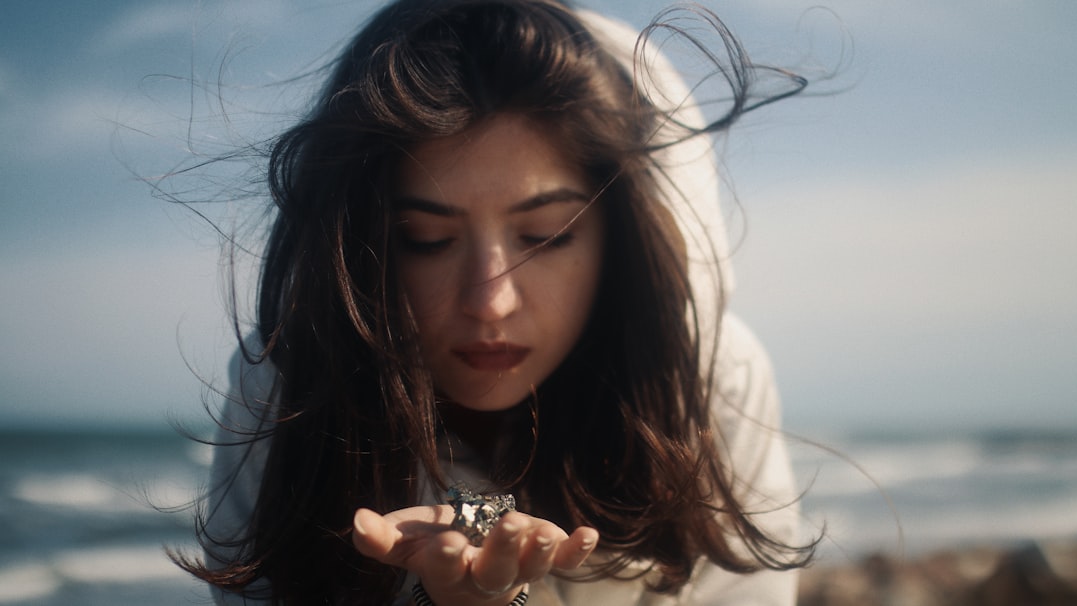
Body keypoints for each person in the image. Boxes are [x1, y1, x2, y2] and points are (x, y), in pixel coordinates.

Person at [176, 0, 815, 604]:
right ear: (360, 244)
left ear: (621, 237)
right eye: (425, 240)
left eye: (546, 236)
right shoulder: (287, 376)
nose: (490, 301)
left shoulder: (711, 376)